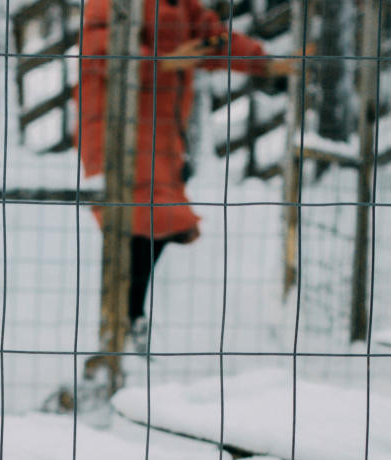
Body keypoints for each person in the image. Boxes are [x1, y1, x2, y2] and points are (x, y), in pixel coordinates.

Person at [76, 0, 299, 357]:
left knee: (152, 222)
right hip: (118, 125)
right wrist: (162, 61)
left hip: (162, 128)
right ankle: (122, 325)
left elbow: (212, 39)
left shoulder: (181, 5)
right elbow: (98, 50)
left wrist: (264, 63)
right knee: (144, 219)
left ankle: (125, 320)